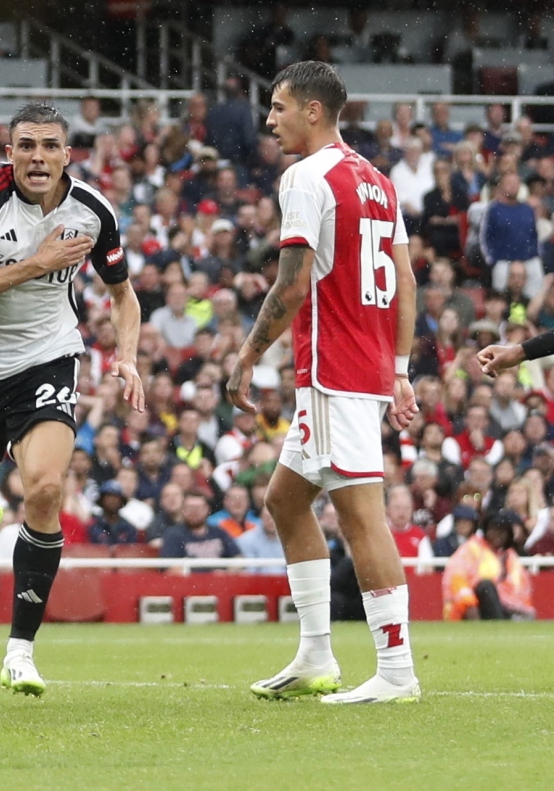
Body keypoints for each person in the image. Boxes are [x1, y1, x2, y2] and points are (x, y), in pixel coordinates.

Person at [0, 102, 144, 695]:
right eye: (26, 146)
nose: (38, 157)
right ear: (10, 152)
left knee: (46, 488)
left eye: (50, 146)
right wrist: (36, 264)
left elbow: (123, 297)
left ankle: (20, 651)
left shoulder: (93, 211)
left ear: (68, 154)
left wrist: (126, 354)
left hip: (46, 357)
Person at [225, 62, 421, 704]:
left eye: (279, 107)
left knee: (362, 517)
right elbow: (405, 281)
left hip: (334, 370)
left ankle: (396, 672)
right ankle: (315, 655)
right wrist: (398, 370)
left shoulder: (306, 178)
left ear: (314, 111)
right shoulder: (377, 180)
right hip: (362, 366)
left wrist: (249, 355)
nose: (270, 119)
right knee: (284, 500)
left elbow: (292, 280)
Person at [442, 510, 534, 621]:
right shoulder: (471, 549)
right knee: (486, 586)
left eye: (502, 531)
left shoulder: (510, 556)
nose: (498, 535)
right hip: (472, 609)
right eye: (494, 530)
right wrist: (469, 605)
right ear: (486, 531)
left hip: (506, 607)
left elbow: (520, 588)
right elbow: (457, 579)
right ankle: (499, 624)